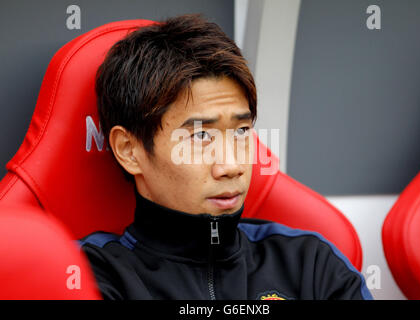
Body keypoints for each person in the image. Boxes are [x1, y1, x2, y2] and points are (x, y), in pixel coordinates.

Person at [79, 14, 373, 300]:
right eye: (201, 136)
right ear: (129, 150)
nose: (231, 166)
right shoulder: (89, 276)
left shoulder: (311, 266)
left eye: (242, 131)